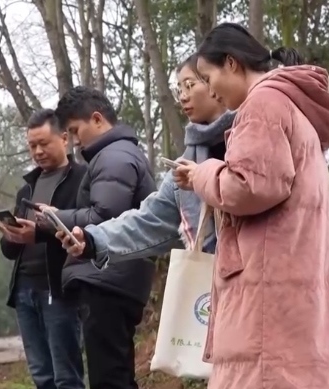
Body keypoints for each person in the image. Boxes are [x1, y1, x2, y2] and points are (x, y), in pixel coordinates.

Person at [174, 22, 329, 389]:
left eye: (207, 77)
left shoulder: (263, 105)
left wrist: (204, 174)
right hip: (295, 289)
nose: (209, 90)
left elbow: (251, 185)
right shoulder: (292, 106)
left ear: (231, 63)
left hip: (269, 298)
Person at [34, 86, 156, 389]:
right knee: (119, 380)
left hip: (109, 279)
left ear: (98, 119)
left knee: (110, 383)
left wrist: (55, 217)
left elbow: (105, 216)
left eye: (75, 131)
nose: (74, 141)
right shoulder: (119, 154)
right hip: (118, 277)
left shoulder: (114, 157)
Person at [54, 52, 234, 264]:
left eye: (189, 85)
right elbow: (150, 220)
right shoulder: (184, 166)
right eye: (179, 89)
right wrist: (93, 239)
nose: (183, 97)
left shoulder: (255, 137)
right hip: (217, 278)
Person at [0, 109, 87, 389]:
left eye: (44, 143)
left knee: (66, 377)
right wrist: (11, 237)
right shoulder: (27, 188)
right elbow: (11, 250)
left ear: (64, 138)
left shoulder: (81, 180)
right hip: (25, 290)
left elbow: (85, 231)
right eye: (32, 145)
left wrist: (40, 233)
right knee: (41, 377)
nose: (37, 151)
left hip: (60, 289)